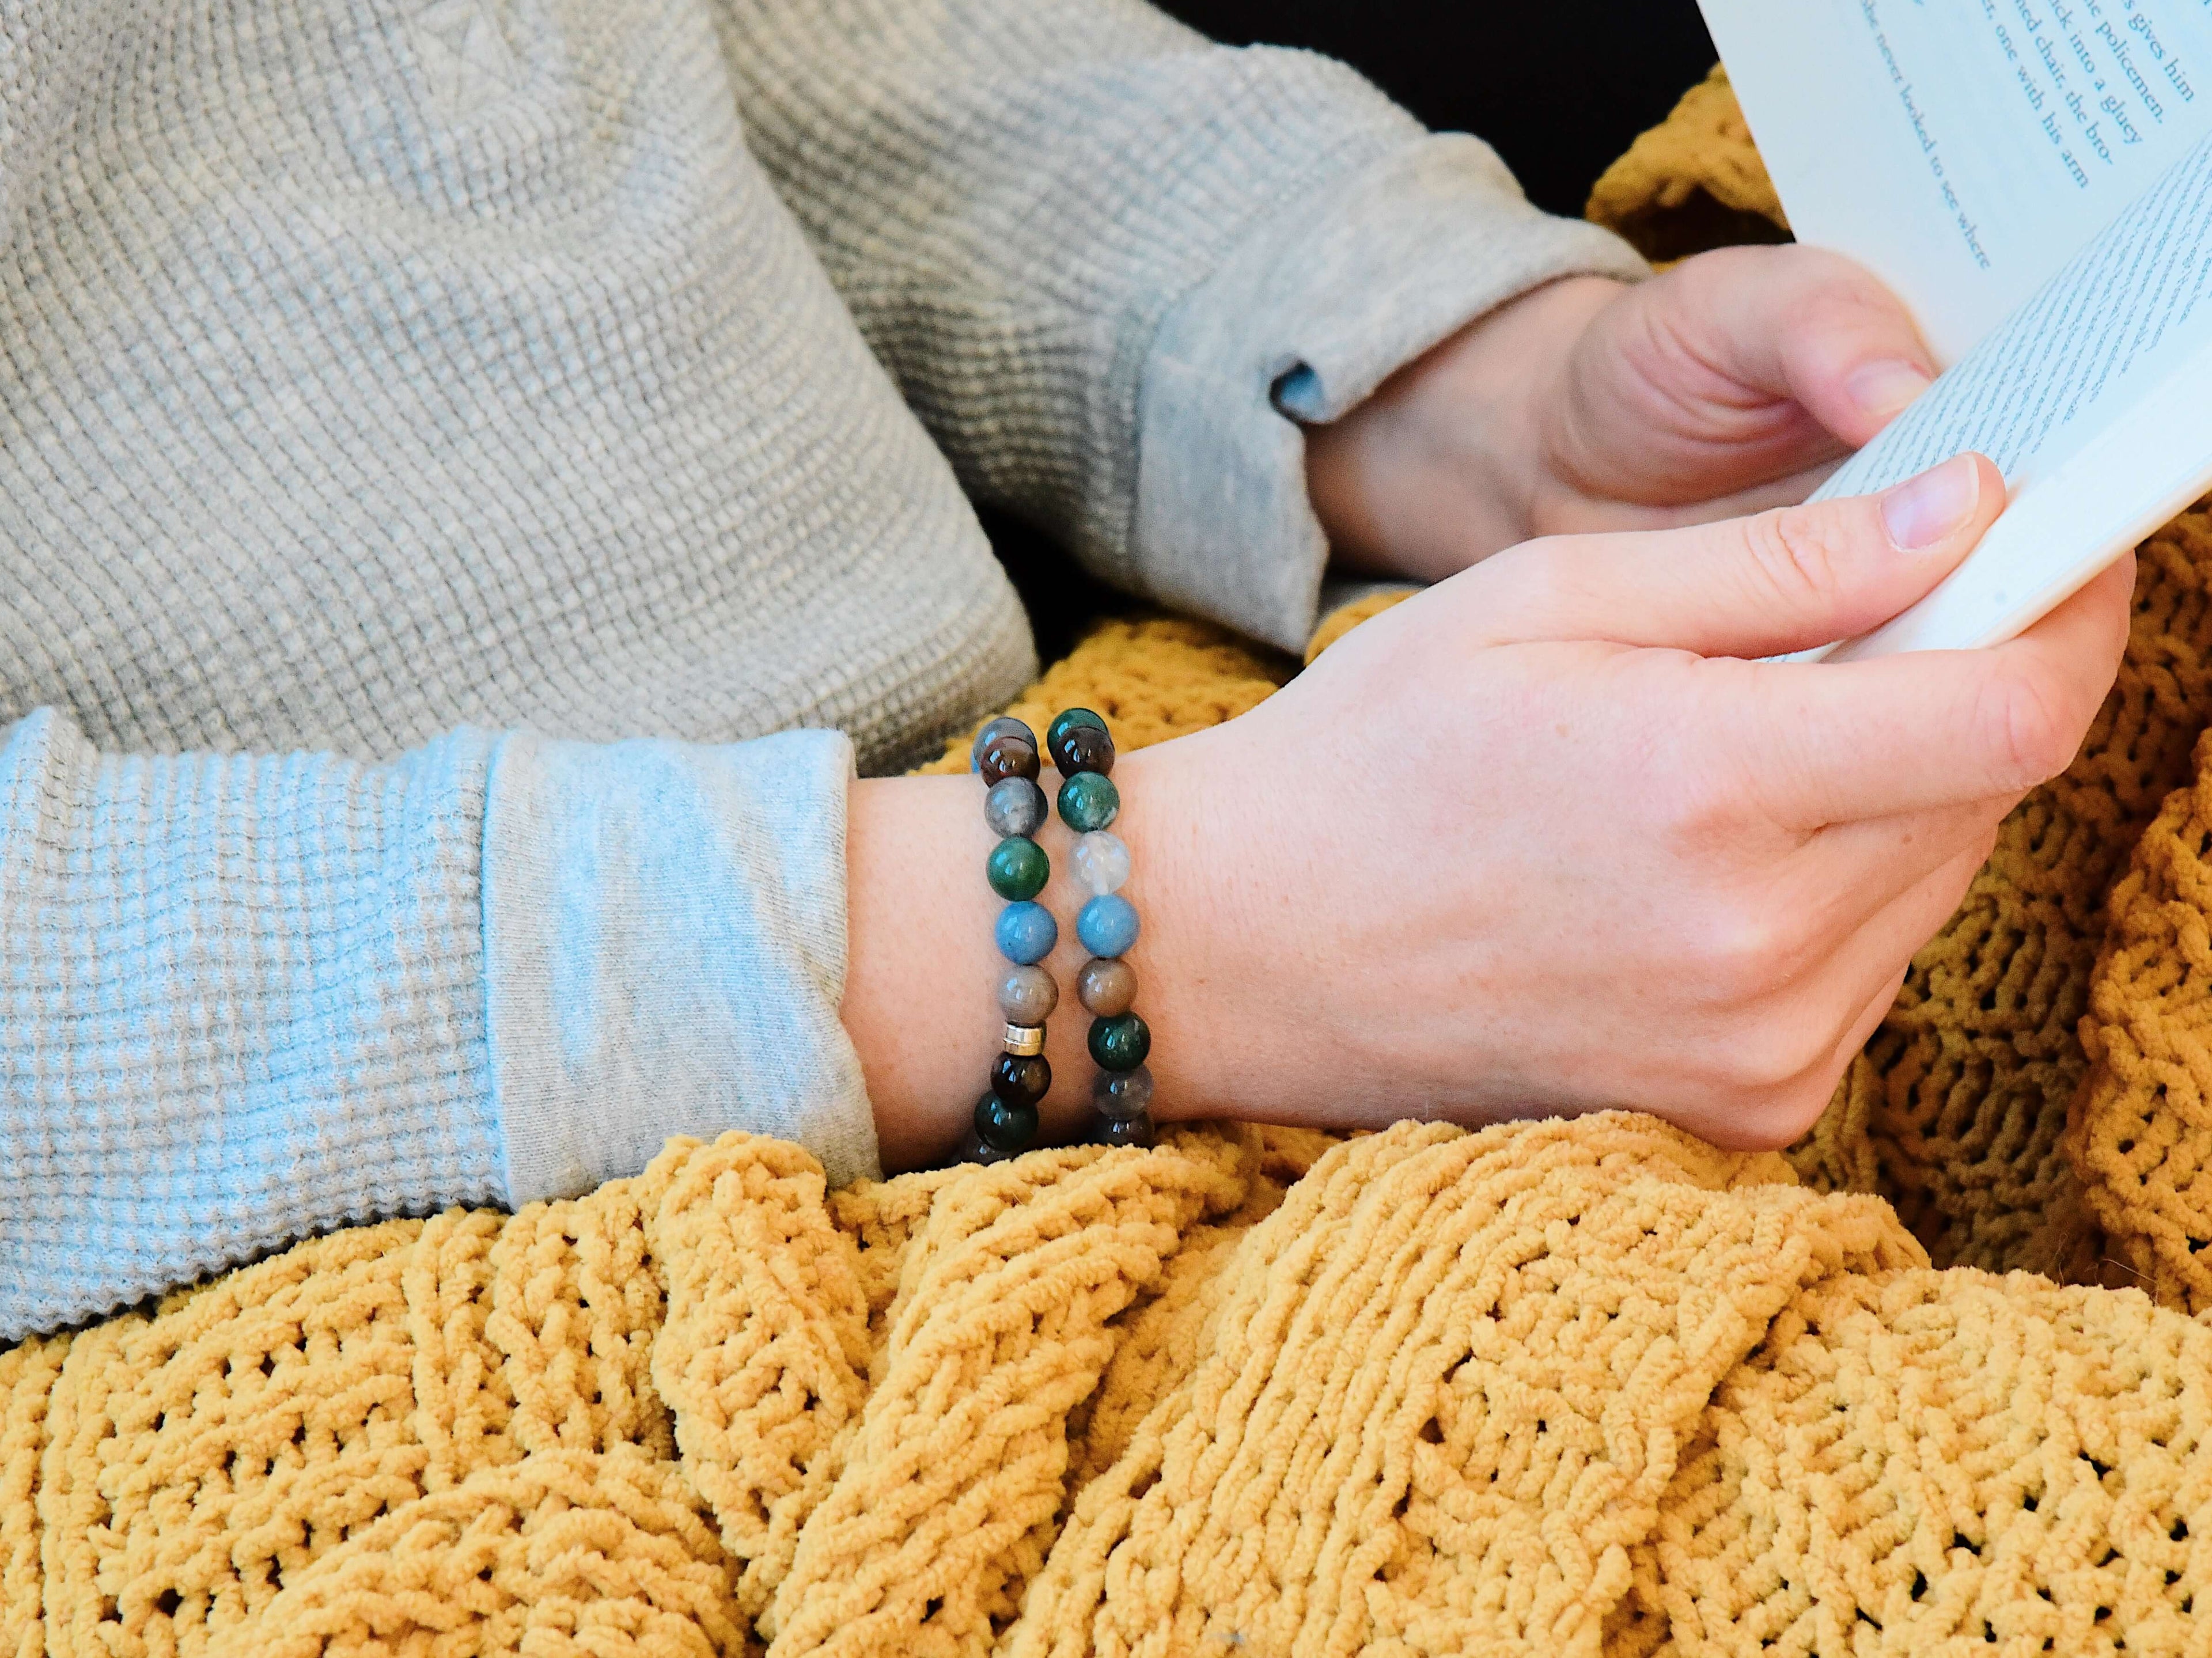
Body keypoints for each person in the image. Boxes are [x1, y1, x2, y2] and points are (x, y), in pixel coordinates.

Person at [0, 0, 2127, 1339]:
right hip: (399, 1270)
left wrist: (1468, 392)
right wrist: (1139, 927)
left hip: (1154, 776)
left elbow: (680, 56)